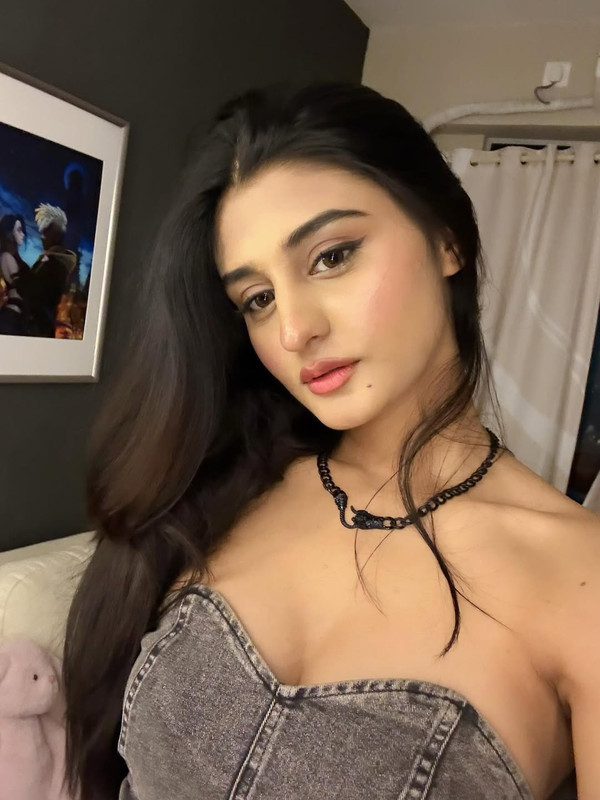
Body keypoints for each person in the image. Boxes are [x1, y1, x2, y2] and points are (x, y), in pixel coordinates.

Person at [62, 83, 598, 800]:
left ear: (447, 238)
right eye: (257, 299)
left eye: (332, 256)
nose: (293, 330)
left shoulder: (578, 578)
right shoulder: (220, 486)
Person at [26, 203, 77, 337]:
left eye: (46, 231)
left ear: (57, 235)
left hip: (36, 331)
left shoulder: (54, 265)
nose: (42, 236)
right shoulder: (50, 261)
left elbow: (40, 301)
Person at [0, 213, 31, 335]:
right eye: (19, 230)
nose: (23, 234)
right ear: (9, 234)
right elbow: (22, 287)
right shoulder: (6, 257)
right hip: (11, 317)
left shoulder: (10, 257)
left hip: (16, 316)